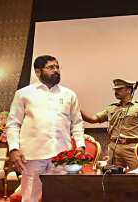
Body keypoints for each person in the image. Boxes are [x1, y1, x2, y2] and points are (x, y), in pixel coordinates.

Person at [6, 55, 86, 202]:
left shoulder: (69, 94)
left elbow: (77, 123)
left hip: (62, 156)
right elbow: (13, 124)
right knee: (30, 197)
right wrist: (14, 149)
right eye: (50, 67)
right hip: (33, 155)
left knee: (61, 196)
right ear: (38, 72)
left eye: (57, 67)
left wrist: (80, 145)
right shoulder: (24, 94)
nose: (56, 70)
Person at [81, 79, 138, 171]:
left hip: (132, 147)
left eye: (119, 89)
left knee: (137, 176)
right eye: (115, 89)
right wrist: (77, 109)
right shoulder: (112, 108)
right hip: (114, 147)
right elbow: (93, 119)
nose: (116, 91)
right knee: (112, 176)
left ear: (129, 90)